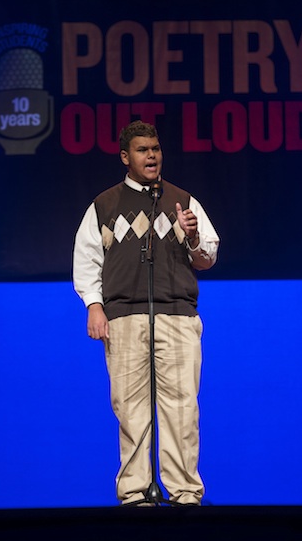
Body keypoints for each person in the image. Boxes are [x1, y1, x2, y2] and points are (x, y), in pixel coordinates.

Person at [73, 120, 219, 506]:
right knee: (130, 408)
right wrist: (94, 305)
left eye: (155, 148)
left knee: (182, 407)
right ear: (126, 157)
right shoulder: (104, 205)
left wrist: (191, 236)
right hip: (122, 319)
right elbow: (86, 260)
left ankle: (185, 494)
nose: (151, 155)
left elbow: (207, 257)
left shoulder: (183, 201)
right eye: (142, 150)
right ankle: (136, 495)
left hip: (177, 316)